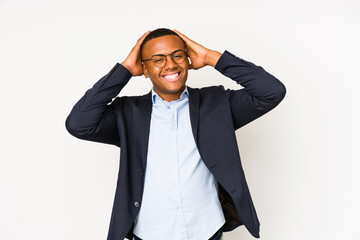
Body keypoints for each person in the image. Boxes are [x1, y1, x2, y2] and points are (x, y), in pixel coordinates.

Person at [65, 28, 286, 240]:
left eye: (177, 56)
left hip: (207, 231)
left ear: (188, 59)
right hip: (150, 234)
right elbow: (78, 123)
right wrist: (123, 71)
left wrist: (212, 57)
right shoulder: (128, 113)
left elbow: (272, 92)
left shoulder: (217, 104)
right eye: (158, 59)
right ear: (145, 68)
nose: (170, 65)